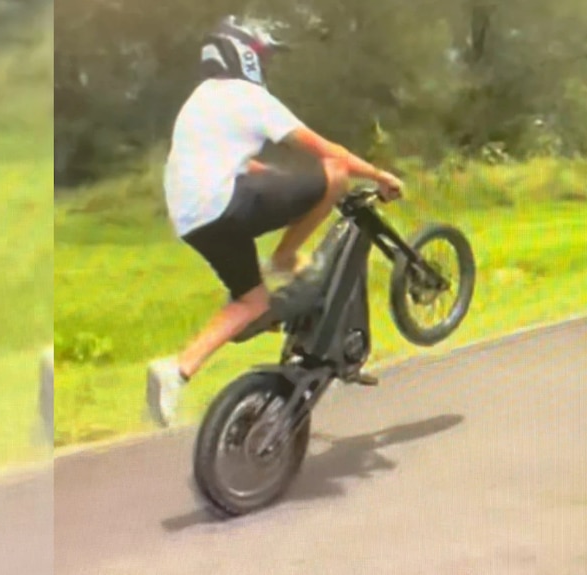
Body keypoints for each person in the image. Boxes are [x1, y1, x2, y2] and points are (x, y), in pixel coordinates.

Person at [146, 15, 403, 428]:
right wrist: (379, 175)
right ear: (246, 55)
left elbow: (241, 163)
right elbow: (329, 152)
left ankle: (177, 370)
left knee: (252, 301)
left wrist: (283, 182)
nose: (264, 66)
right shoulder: (249, 97)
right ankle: (285, 258)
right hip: (224, 203)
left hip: (193, 220)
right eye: (262, 57)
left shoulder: (199, 101)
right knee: (335, 174)